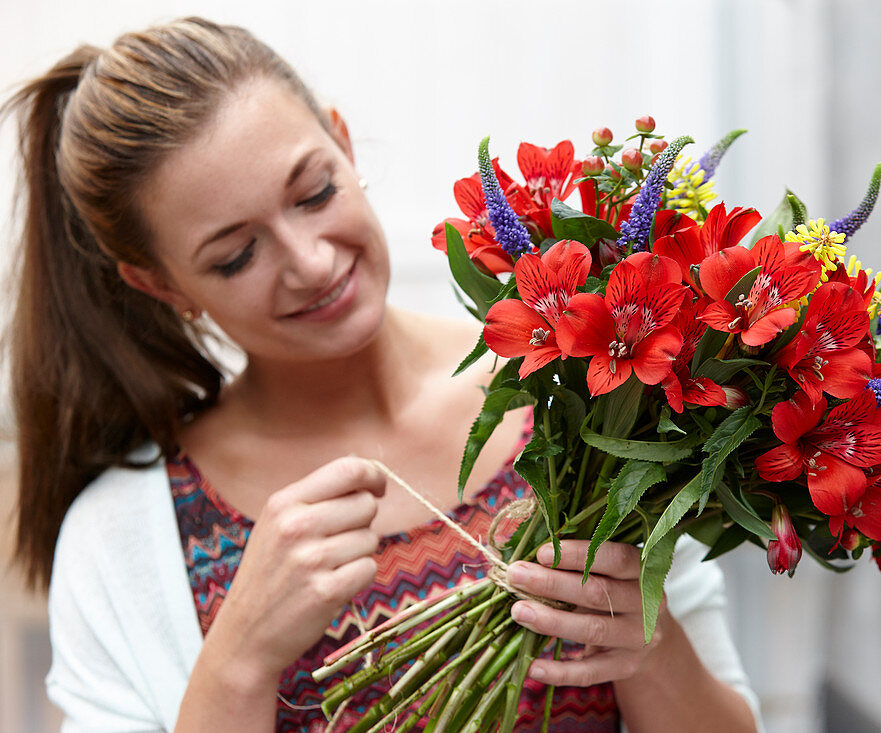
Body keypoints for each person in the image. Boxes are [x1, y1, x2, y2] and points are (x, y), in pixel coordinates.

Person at [2, 16, 763, 733]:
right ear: (159, 284)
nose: (312, 262)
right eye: (236, 256)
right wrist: (238, 661)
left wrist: (651, 649)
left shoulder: (588, 407)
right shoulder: (128, 533)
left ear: (343, 144)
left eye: (314, 193)